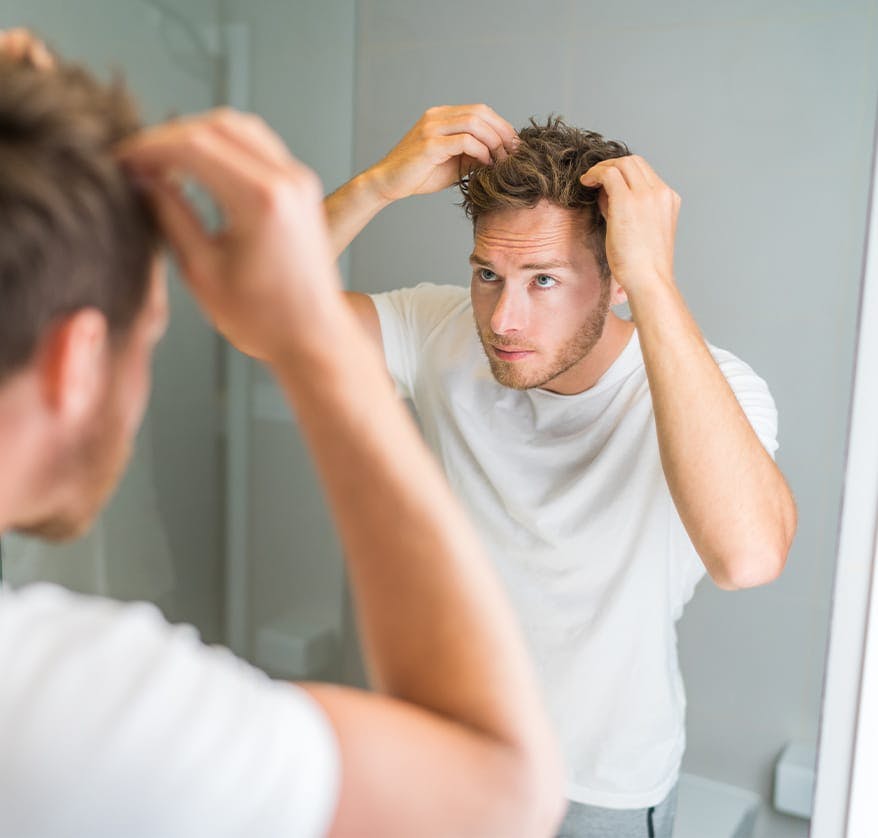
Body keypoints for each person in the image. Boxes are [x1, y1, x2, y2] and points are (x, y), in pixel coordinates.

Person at [0, 32, 565, 837]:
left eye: (544, 279)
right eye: (152, 328)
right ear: (77, 361)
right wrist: (311, 333)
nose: (507, 317)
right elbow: (503, 792)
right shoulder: (66, 714)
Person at [324, 105, 799, 837]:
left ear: (615, 281)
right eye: (489, 274)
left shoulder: (715, 387)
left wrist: (654, 281)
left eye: (543, 279)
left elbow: (748, 557)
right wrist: (375, 185)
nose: (503, 319)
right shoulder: (439, 332)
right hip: (450, 755)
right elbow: (255, 315)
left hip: (597, 791)